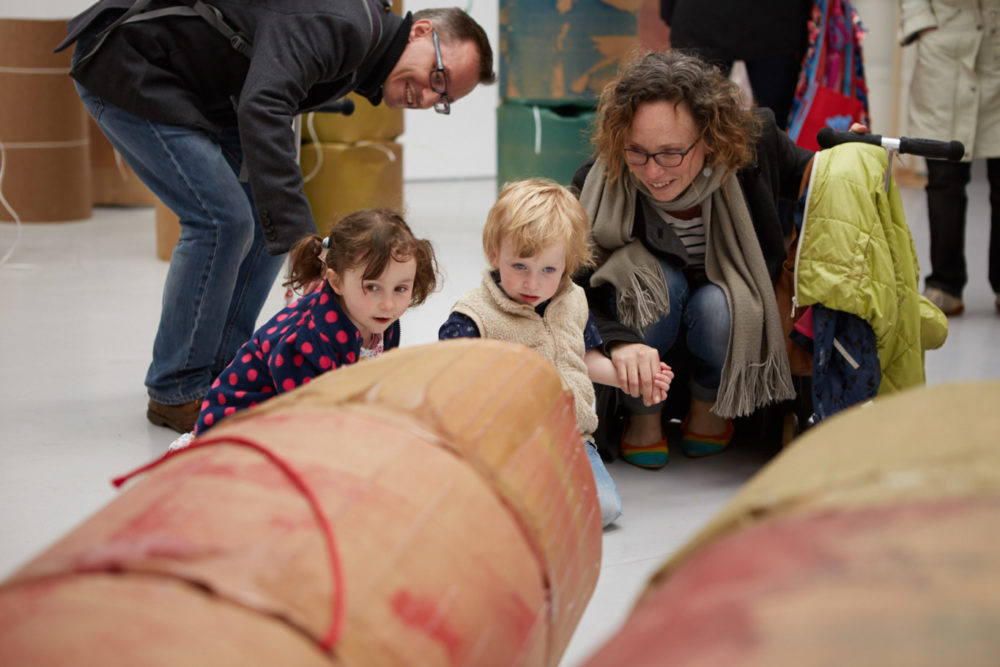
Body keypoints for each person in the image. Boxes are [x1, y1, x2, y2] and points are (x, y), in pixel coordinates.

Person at [54, 1, 496, 433]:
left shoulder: (362, 49)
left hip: (202, 89)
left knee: (265, 225)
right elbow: (264, 104)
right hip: (133, 63)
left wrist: (289, 234)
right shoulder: (345, 24)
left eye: (444, 98)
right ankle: (176, 390)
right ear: (420, 31)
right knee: (223, 222)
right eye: (438, 77)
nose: (430, 96)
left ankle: (226, 374)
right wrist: (304, 242)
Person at [572, 50, 813, 469]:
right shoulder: (595, 182)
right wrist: (618, 341)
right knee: (660, 285)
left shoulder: (757, 146)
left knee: (718, 305)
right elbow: (571, 290)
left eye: (670, 153)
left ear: (709, 135)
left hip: (726, 333)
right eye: (637, 152)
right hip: (643, 338)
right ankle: (641, 412)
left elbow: (815, 174)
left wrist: (851, 158)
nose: (652, 171)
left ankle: (709, 404)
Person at [439, 178, 674, 528]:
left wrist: (629, 381)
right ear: (494, 254)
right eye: (519, 266)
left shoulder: (573, 300)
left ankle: (535, 507)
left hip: (573, 439)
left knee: (605, 508)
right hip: (509, 445)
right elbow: (450, 381)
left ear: (568, 264)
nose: (533, 283)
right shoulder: (473, 315)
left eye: (549, 270)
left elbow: (585, 358)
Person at [175, 208, 438, 444]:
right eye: (372, 287)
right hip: (238, 428)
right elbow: (307, 419)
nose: (389, 304)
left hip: (297, 419)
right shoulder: (308, 338)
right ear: (335, 282)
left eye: (401, 288)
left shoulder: (376, 317)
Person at [899, 0, 1000, 316]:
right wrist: (920, 22)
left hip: (994, 40)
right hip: (944, 43)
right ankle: (945, 283)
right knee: (944, 180)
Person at [659, 0, 812, 130]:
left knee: (693, 120)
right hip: (776, 22)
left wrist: (669, 11)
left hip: (702, 18)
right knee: (774, 126)